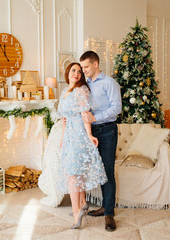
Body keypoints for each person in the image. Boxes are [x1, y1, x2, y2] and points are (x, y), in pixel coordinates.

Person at [57, 62, 108, 229]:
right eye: (73, 70)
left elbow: (86, 114)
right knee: (75, 173)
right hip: (69, 136)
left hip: (79, 135)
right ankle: (82, 203)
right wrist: (62, 139)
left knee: (73, 174)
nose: (77, 74)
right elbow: (64, 119)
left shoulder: (81, 90)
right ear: (68, 72)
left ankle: (77, 209)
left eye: (79, 71)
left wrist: (89, 135)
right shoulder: (65, 92)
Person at [80, 51, 122, 232]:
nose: (84, 70)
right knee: (92, 169)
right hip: (90, 131)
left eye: (86, 67)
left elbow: (117, 108)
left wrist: (95, 118)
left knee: (107, 171)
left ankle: (109, 213)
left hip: (107, 130)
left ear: (96, 64)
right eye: (82, 67)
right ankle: (94, 206)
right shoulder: (85, 84)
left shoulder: (109, 83)